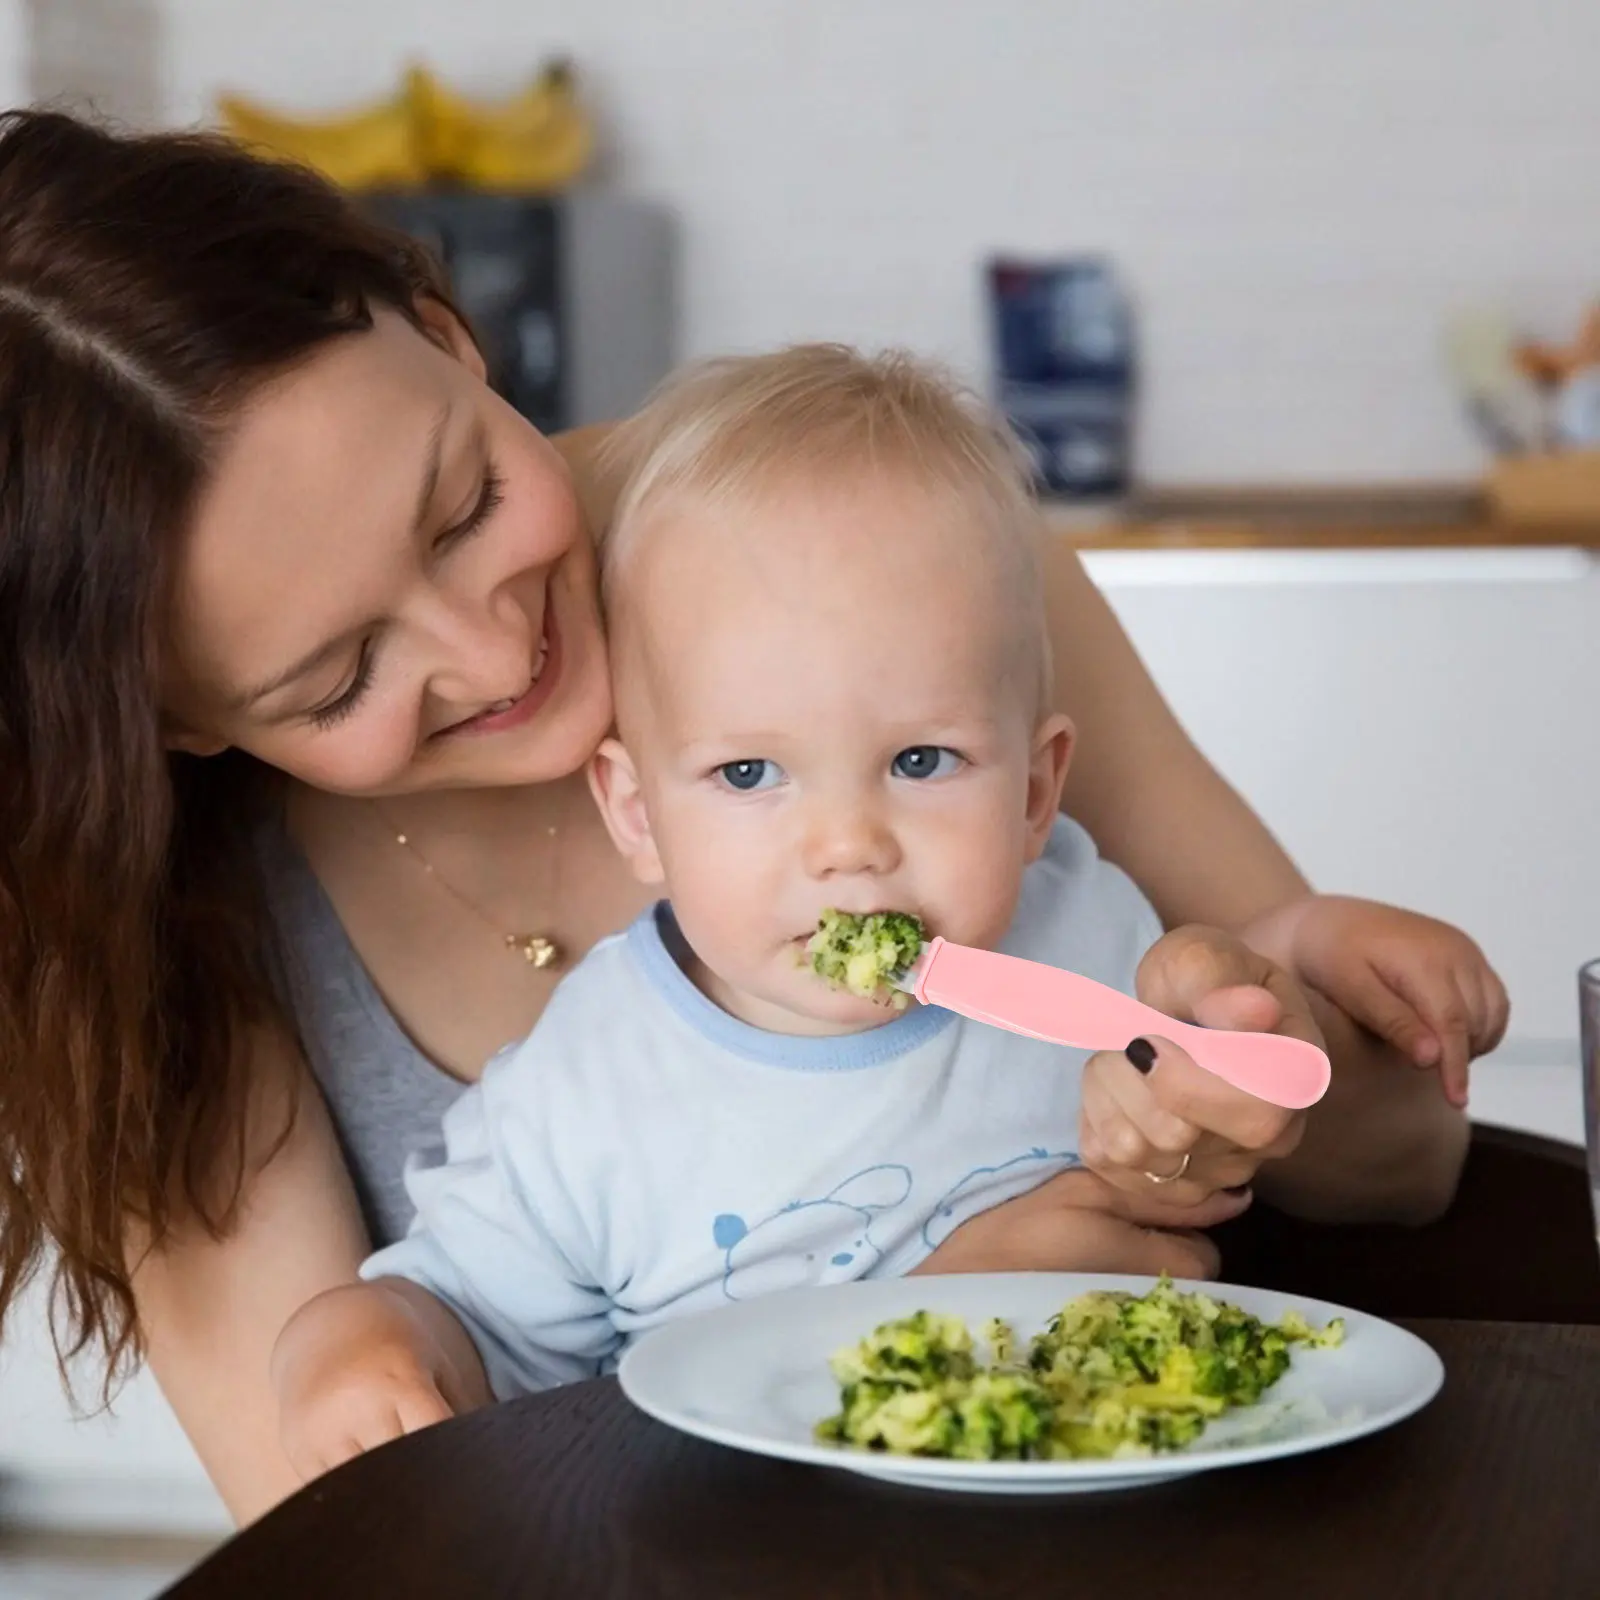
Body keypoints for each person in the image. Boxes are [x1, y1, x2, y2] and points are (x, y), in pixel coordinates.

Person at [0, 110, 1504, 1525]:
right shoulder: (159, 920)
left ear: (446, 333)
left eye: (463, 508)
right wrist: (895, 1345)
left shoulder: (880, 547)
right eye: (340, 678)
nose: (490, 651)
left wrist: (1240, 1067)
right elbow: (352, 1525)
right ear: (179, 722)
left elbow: (1401, 1163)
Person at [271, 344, 1292, 1470]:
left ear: (1036, 792)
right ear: (637, 815)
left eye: (920, 760)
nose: (847, 844)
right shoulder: (588, 1092)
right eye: (750, 773)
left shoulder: (1094, 944)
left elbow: (1223, 1157)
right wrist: (364, 1339)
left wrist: (1211, 1082)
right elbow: (463, 1320)